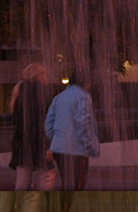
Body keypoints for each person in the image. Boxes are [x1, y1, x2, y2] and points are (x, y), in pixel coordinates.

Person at [0, 63, 56, 212]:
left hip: (21, 143)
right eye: (45, 74)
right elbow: (42, 122)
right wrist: (49, 146)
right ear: (38, 75)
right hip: (38, 143)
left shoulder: (19, 90)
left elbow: (19, 120)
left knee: (22, 181)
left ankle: (7, 208)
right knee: (47, 177)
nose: (47, 78)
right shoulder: (41, 91)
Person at [45, 70, 100, 211]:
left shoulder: (59, 97)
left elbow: (48, 124)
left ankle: (60, 208)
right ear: (86, 83)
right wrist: (90, 146)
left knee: (67, 182)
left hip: (59, 149)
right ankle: (64, 209)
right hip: (76, 150)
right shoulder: (83, 97)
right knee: (77, 184)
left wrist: (57, 140)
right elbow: (83, 123)